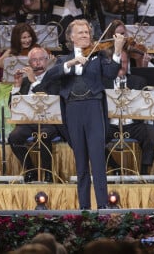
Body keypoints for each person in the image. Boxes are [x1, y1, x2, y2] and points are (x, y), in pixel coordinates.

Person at [41, 19, 124, 209]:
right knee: (81, 163)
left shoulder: (99, 55)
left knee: (97, 159)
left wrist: (117, 51)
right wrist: (71, 62)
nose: (85, 35)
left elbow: (111, 74)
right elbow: (48, 78)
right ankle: (84, 208)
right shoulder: (63, 60)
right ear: (71, 37)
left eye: (87, 32)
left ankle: (102, 206)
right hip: (73, 110)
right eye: (80, 33)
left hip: (93, 108)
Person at [8, 46, 66, 183]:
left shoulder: (54, 78)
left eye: (41, 59)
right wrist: (16, 86)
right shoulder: (25, 81)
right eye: (34, 60)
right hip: (28, 121)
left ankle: (48, 173)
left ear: (47, 61)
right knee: (13, 137)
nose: (38, 63)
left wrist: (34, 81)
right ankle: (30, 171)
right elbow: (13, 105)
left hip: (49, 121)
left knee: (43, 136)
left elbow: (49, 101)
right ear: (29, 63)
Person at [0, 22, 39, 139]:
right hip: (9, 84)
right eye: (23, 38)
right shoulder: (11, 51)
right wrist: (10, 59)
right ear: (17, 39)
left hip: (28, 84)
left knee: (9, 102)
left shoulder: (37, 50)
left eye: (29, 37)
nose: (27, 40)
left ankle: (15, 132)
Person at [103, 51, 154, 175]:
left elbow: (152, 103)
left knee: (151, 132)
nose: (122, 65)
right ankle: (114, 167)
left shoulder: (139, 81)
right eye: (118, 62)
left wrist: (133, 99)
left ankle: (144, 172)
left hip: (132, 125)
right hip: (110, 125)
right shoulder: (103, 82)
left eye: (125, 62)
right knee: (93, 135)